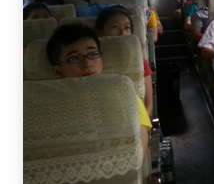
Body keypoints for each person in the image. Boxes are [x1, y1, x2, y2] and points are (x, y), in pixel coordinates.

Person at [46, 24, 151, 160]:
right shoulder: (45, 107)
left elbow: (138, 155)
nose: (87, 63)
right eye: (75, 58)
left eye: (93, 54)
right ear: (57, 71)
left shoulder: (124, 96)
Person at [95, 6, 155, 118]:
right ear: (99, 33)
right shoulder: (92, 63)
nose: (122, 32)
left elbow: (149, 104)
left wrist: (138, 125)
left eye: (127, 27)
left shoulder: (139, 61)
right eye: (114, 27)